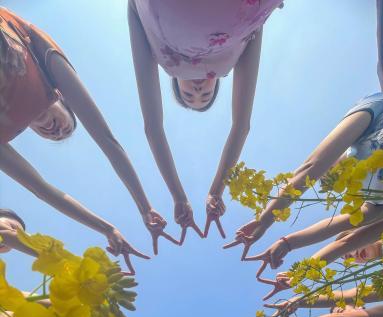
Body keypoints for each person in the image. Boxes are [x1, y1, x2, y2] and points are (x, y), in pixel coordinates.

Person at [0, 7, 177, 259]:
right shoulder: (46, 68)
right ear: (61, 99)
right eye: (66, 125)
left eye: (54, 137)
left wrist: (108, 229)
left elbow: (41, 189)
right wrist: (145, 208)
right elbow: (108, 142)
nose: (56, 132)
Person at [127, 0, 284, 239]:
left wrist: (178, 197)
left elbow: (153, 128)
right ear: (218, 82)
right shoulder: (230, 61)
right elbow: (241, 126)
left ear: (175, 82)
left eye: (189, 95)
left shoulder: (165, 63)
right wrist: (216, 192)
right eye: (206, 94)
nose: (198, 90)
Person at [225, 92, 383, 264]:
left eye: (323, 176)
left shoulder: (379, 104)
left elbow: (313, 166)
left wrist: (265, 219)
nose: (324, 179)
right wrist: (287, 244)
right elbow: (341, 238)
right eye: (326, 183)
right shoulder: (378, 204)